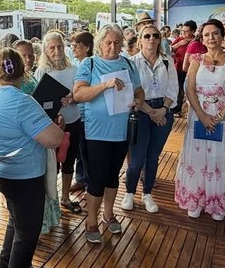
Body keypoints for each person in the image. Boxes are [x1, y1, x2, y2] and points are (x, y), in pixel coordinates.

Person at [0, 48, 64, 268]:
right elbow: (53, 139)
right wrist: (58, 127)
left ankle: (5, 266)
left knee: (15, 220)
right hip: (24, 176)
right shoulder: (22, 101)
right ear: (24, 71)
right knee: (28, 230)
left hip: (2, 172)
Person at [73, 24, 145, 243]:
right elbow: (78, 94)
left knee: (113, 176)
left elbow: (139, 91)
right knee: (96, 178)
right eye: (108, 42)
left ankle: (108, 213)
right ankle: (91, 221)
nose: (113, 47)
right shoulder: (90, 63)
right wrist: (105, 85)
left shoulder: (129, 65)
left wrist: (137, 102)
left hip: (121, 131)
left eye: (117, 42)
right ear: (99, 43)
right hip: (96, 131)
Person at [174, 19, 225, 221]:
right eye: (206, 35)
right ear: (202, 37)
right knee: (197, 157)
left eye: (215, 34)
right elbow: (189, 89)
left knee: (220, 158)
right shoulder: (196, 59)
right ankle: (195, 200)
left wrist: (220, 116)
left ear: (223, 36)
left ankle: (217, 203)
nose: (211, 38)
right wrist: (203, 116)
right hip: (199, 115)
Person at [123, 24, 178, 213]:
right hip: (140, 112)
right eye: (147, 36)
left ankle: (147, 193)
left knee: (153, 158)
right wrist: (151, 112)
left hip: (163, 111)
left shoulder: (167, 61)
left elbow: (173, 89)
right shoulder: (131, 62)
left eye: (155, 35)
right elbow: (130, 92)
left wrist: (163, 110)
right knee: (137, 159)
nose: (151, 39)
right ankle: (129, 192)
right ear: (140, 40)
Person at [35, 32, 82, 214]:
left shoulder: (74, 70)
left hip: (73, 121)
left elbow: (80, 95)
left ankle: (64, 197)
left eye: (60, 46)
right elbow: (37, 101)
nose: (57, 51)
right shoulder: (42, 72)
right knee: (51, 164)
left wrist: (72, 99)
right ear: (46, 50)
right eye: (52, 47)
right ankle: (51, 199)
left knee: (70, 162)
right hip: (50, 126)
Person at [68, 31, 94, 194]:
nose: (74, 48)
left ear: (87, 47)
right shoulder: (74, 64)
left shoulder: (91, 64)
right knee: (79, 149)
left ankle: (89, 182)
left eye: (77, 45)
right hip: (76, 113)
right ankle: (80, 178)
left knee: (85, 150)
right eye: (73, 45)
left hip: (86, 113)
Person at [170, 20, 197, 116]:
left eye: (186, 31)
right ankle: (177, 108)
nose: (184, 33)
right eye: (183, 31)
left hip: (192, 70)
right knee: (178, 89)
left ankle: (189, 109)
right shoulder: (179, 39)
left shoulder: (197, 41)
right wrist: (179, 44)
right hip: (178, 68)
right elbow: (169, 50)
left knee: (191, 89)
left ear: (193, 31)